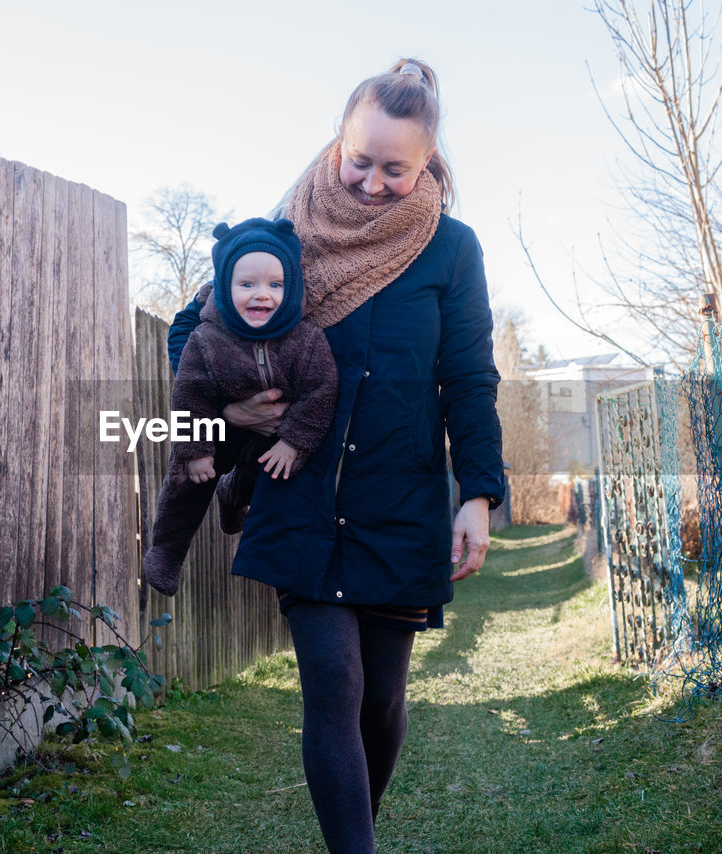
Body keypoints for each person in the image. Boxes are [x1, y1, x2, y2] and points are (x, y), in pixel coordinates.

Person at [167, 58, 505, 852]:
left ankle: (358, 829)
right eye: (362, 160)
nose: (374, 182)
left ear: (428, 164)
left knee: (381, 700)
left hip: (400, 500)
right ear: (337, 142)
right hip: (301, 493)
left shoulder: (450, 251)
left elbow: (468, 377)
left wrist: (479, 495)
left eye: (397, 167)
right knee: (333, 686)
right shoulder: (283, 237)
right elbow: (193, 334)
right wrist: (235, 408)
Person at [143, 217, 338, 598]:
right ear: (222, 287)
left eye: (275, 285)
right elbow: (190, 395)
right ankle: (167, 550)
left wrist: (294, 442)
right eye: (247, 284)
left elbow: (322, 391)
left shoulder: (306, 340)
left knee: (271, 469)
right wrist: (196, 450)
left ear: (292, 286)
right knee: (187, 478)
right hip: (220, 427)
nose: (261, 294)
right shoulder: (207, 339)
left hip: (275, 436)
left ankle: (235, 495)